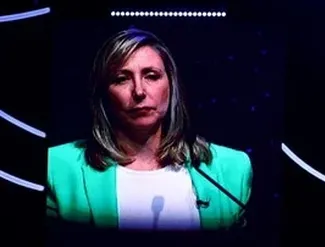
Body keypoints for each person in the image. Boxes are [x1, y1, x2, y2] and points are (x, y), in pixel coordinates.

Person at [47, 28, 252, 230]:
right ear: (103, 95)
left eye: (151, 76)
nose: (139, 91)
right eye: (121, 79)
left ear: (171, 86)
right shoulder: (57, 168)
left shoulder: (231, 169)